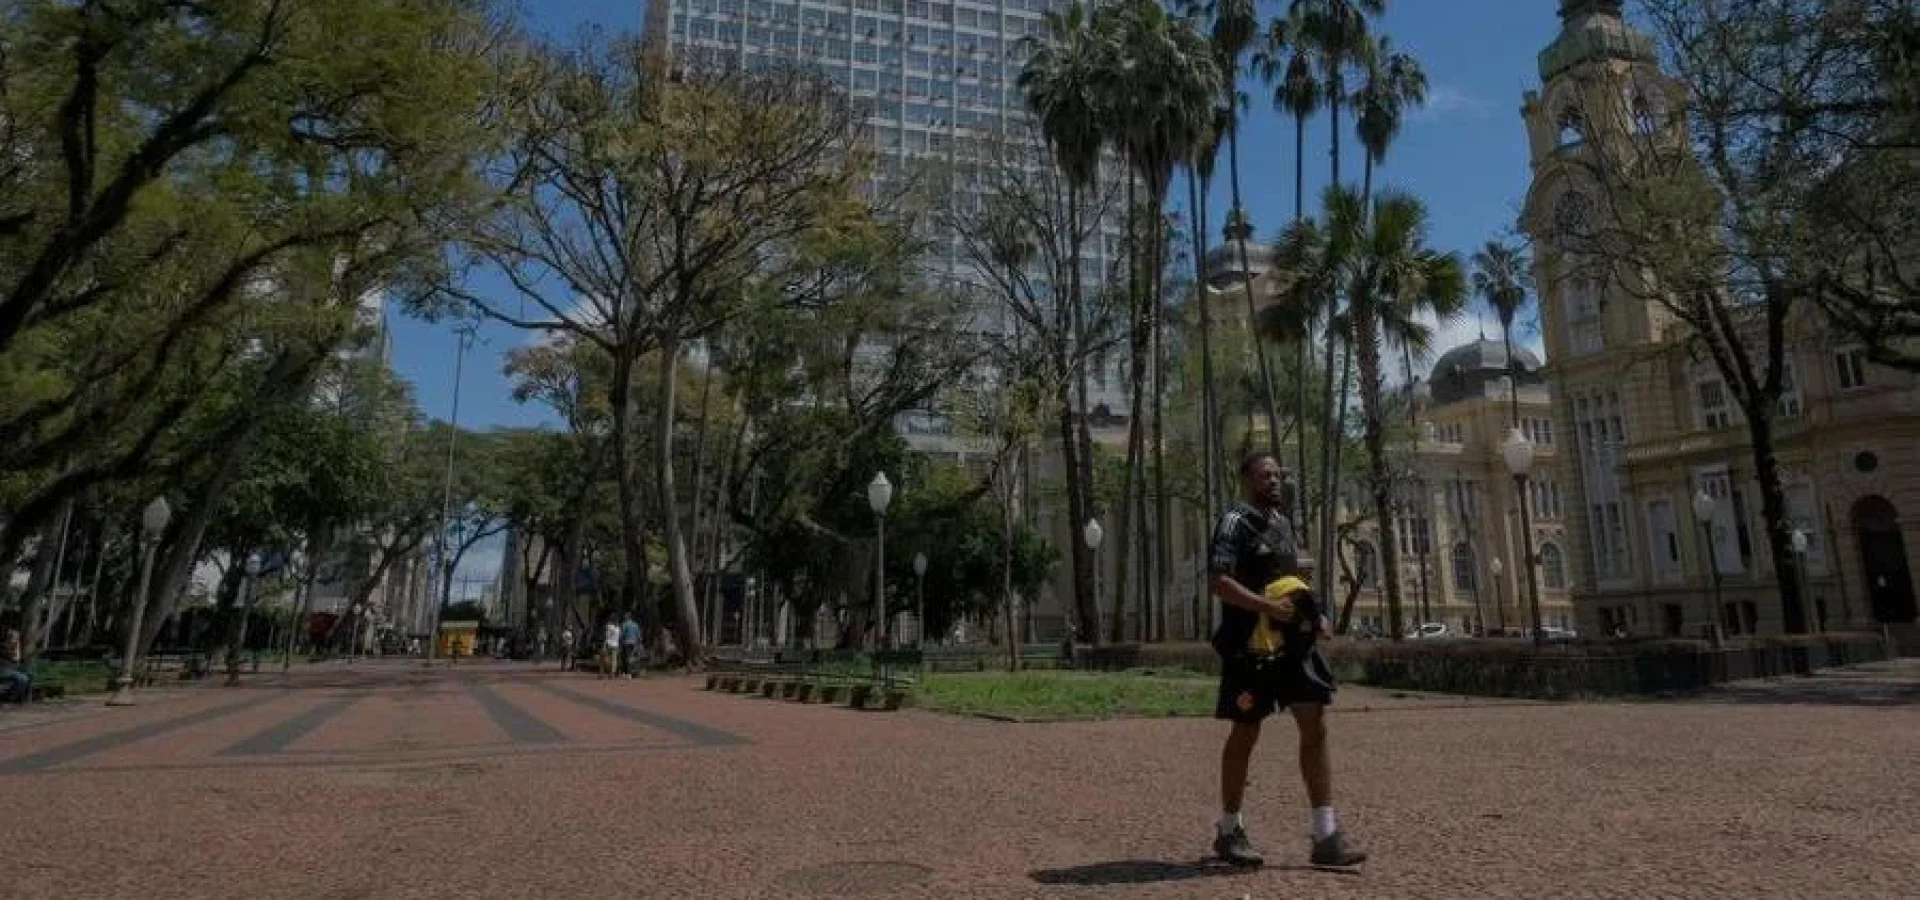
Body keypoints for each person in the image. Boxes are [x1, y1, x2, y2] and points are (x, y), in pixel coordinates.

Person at [1207, 451, 1366, 869]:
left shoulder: (1283, 524)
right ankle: (1228, 830)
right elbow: (1218, 582)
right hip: (1250, 647)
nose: (1274, 481)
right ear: (1246, 480)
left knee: (1315, 721)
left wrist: (1317, 615)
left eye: (1277, 475)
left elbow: (1293, 581)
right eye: (1265, 475)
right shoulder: (1234, 522)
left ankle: (1326, 835)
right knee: (1245, 732)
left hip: (1293, 644)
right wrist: (1263, 606)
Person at [2, 627, 32, 703]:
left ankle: (20, 698)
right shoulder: (4, 647)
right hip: (4, 670)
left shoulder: (16, 647)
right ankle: (10, 697)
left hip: (12, 670)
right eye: (14, 638)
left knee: (29, 676)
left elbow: (17, 659)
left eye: (17, 639)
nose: (16, 641)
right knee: (22, 678)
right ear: (9, 638)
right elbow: (13, 657)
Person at [619, 614, 641, 678]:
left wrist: (620, 641)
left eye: (625, 616)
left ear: (627, 617)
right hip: (633, 643)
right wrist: (639, 642)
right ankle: (627, 672)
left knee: (625, 657)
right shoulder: (635, 624)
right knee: (630, 657)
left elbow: (622, 634)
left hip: (626, 642)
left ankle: (627, 673)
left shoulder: (624, 624)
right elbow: (638, 634)